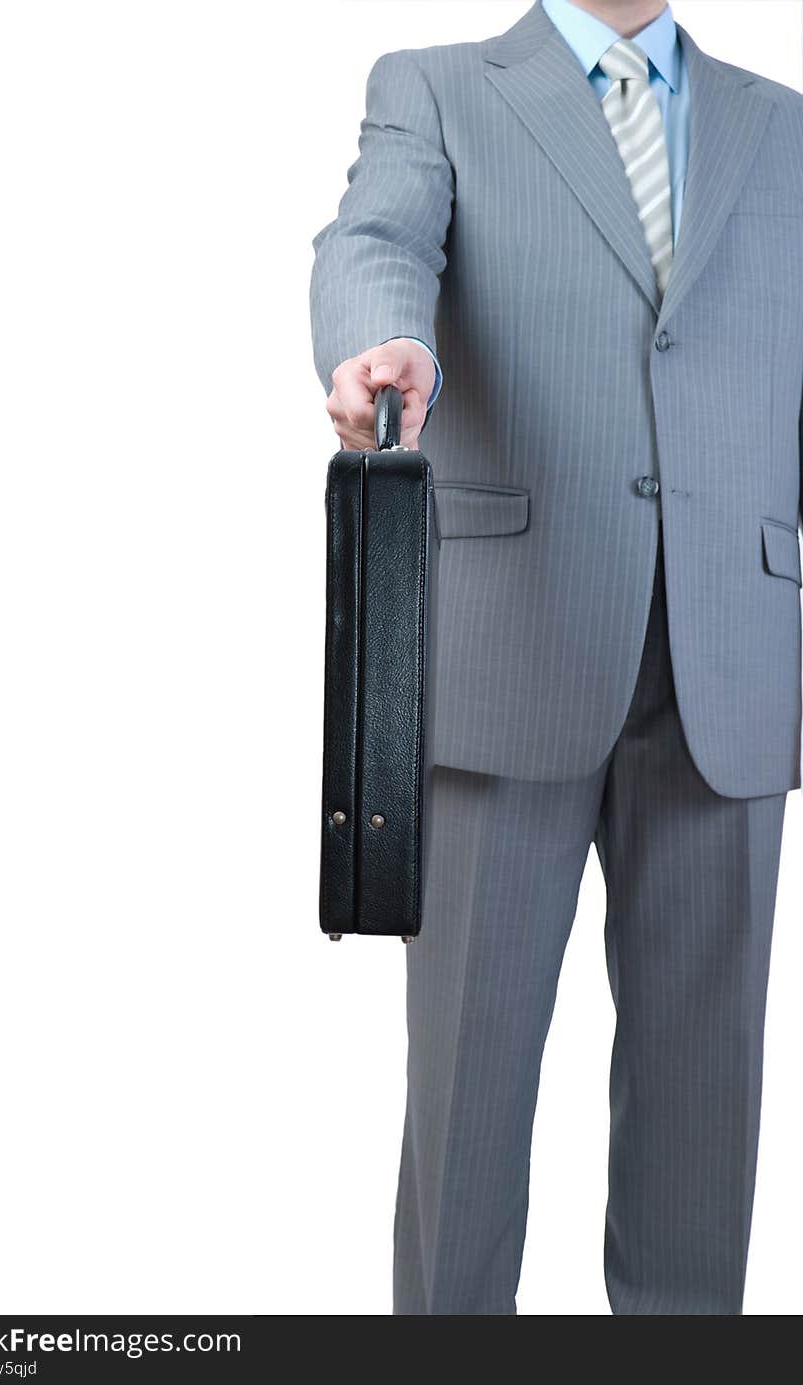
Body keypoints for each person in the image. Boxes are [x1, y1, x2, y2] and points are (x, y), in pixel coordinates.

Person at [309, 0, 803, 1315]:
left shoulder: (786, 128)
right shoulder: (439, 88)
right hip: (508, 654)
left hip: (735, 664)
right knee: (466, 1113)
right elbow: (374, 238)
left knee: (707, 1125)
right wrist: (381, 342)